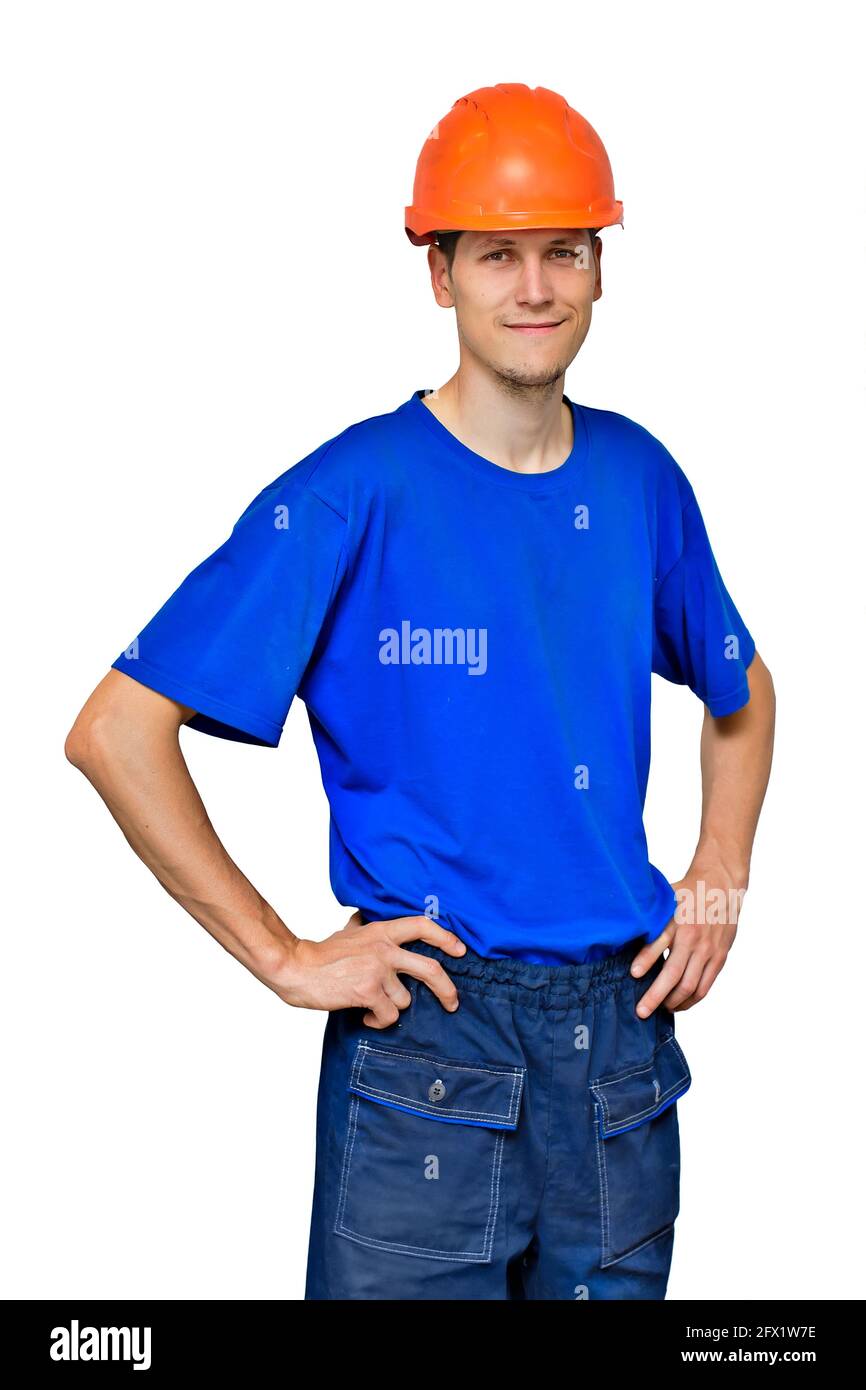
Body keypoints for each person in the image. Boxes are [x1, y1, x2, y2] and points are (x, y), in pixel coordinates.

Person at [65, 82, 775, 1301]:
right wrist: (286, 957)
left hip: (615, 1053)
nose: (536, 288)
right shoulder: (350, 492)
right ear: (437, 276)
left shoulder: (640, 476)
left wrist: (716, 873)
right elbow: (117, 731)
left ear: (600, 270)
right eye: (497, 255)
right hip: (432, 1047)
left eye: (564, 252)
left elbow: (740, 687)